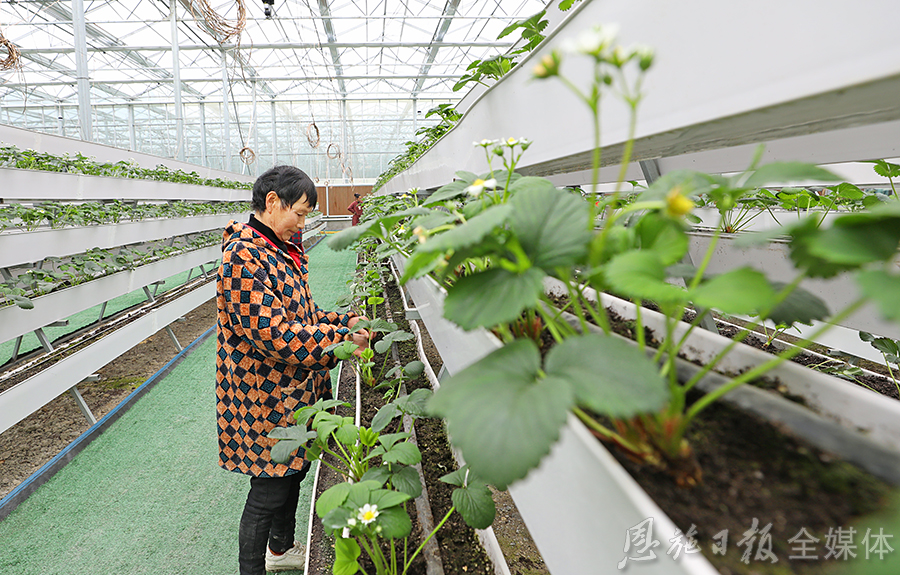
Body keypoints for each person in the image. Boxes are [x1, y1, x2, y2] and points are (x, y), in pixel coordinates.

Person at [216, 165, 369, 574]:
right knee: (270, 485)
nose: (302, 223)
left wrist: (343, 322)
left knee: (294, 471)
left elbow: (303, 313)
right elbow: (274, 335)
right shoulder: (243, 257)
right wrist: (339, 346)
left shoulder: (279, 248)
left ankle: (280, 551)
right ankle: (252, 568)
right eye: (299, 214)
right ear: (272, 203)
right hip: (262, 394)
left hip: (295, 389)